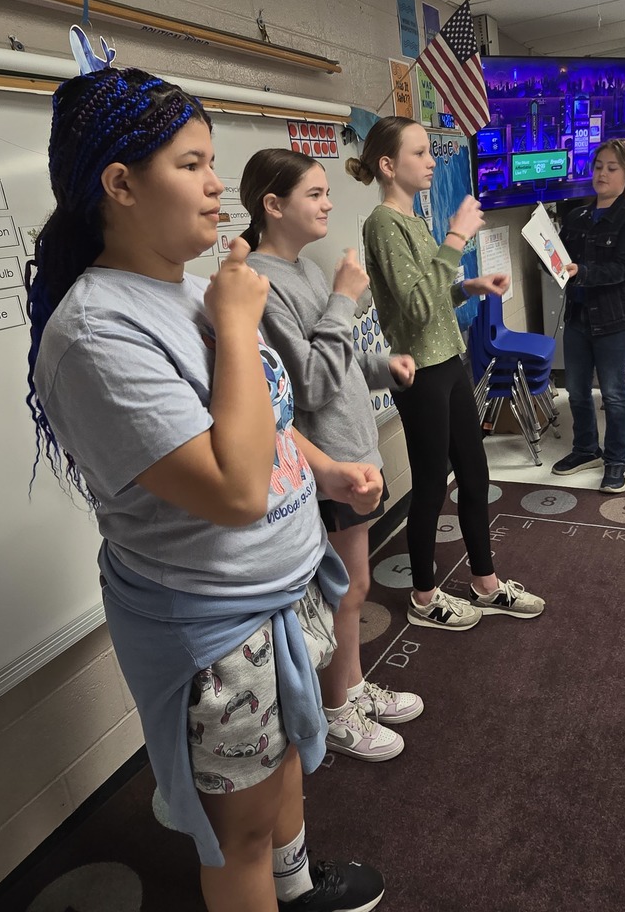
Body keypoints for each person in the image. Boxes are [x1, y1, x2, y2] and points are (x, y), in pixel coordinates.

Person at [25, 65, 386, 912]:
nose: (217, 183)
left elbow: (253, 417)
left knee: (288, 766)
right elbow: (232, 488)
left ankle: (298, 891)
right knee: (240, 837)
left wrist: (322, 467)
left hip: (277, 592)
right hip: (215, 626)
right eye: (191, 164)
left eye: (210, 160)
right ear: (120, 184)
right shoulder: (96, 332)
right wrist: (233, 322)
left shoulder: (188, 286)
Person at [240, 148, 424, 763]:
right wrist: (346, 297)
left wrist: (381, 367)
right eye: (314, 194)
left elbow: (334, 362)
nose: (327, 204)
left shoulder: (306, 272)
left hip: (354, 452)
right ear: (273, 205)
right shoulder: (264, 288)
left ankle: (352, 690)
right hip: (327, 468)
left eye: (326, 192)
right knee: (346, 591)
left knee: (354, 586)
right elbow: (309, 388)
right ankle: (340, 712)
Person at [346, 115, 545, 631]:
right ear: (388, 166)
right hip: (421, 373)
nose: (432, 160)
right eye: (419, 152)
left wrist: (469, 287)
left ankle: (485, 583)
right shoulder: (382, 223)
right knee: (432, 485)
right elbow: (412, 309)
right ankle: (423, 594)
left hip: (448, 361)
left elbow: (430, 296)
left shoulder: (411, 221)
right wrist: (457, 236)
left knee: (474, 474)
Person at [551, 138, 625, 494]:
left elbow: (623, 270)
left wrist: (582, 272)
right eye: (598, 167)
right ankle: (586, 449)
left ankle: (616, 459)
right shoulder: (576, 215)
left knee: (613, 392)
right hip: (577, 317)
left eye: (612, 168)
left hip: (614, 319)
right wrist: (550, 261)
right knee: (576, 390)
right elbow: (559, 258)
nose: (602, 174)